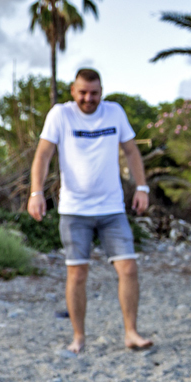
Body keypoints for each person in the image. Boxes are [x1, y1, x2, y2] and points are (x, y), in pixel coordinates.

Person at [28, 68, 153, 353]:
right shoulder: (60, 115)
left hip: (112, 208)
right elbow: (43, 154)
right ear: (73, 91)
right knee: (77, 274)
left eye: (94, 93)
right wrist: (36, 193)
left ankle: (131, 333)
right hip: (74, 210)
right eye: (82, 92)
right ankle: (78, 337)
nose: (88, 98)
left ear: (102, 91)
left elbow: (132, 151)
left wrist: (142, 187)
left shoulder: (115, 113)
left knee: (129, 268)